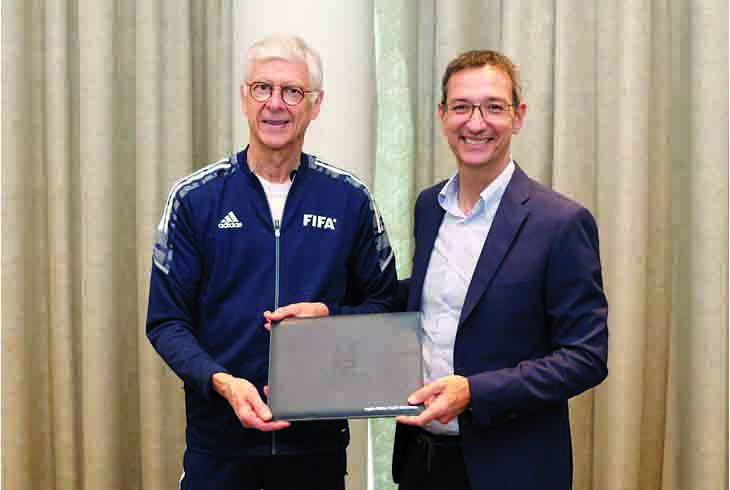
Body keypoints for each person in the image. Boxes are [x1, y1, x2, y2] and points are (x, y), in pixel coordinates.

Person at [146, 34, 398, 490]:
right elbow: (166, 322)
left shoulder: (351, 200)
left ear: (316, 105)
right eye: (263, 88)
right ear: (245, 97)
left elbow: (384, 308)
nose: (275, 104)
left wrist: (330, 317)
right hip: (218, 447)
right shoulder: (194, 199)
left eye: (292, 91)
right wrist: (222, 381)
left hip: (315, 452)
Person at [391, 49, 609, 490]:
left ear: (518, 115)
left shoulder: (561, 222)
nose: (476, 123)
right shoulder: (428, 207)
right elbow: (431, 300)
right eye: (462, 107)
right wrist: (332, 312)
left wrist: (475, 392)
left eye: (493, 107)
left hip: (511, 469)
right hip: (422, 460)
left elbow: (586, 357)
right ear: (442, 115)